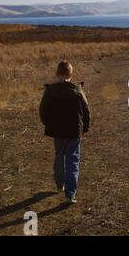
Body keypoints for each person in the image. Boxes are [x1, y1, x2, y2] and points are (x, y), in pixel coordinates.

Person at [39, 61, 90, 204]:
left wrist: (47, 123)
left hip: (57, 131)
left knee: (59, 155)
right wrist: (85, 128)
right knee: (72, 161)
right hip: (74, 132)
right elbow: (86, 110)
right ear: (71, 74)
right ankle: (70, 194)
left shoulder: (50, 91)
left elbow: (43, 110)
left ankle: (59, 184)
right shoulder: (77, 90)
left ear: (56, 74)